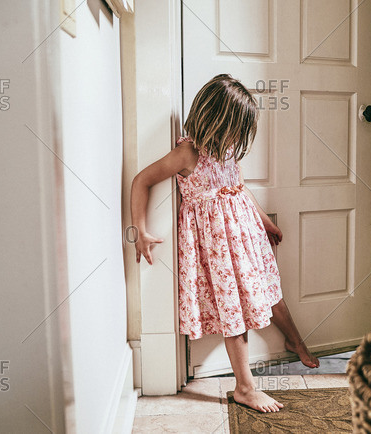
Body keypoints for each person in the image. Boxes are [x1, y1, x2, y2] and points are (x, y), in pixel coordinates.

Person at [130, 74, 319, 413]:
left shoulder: (226, 149)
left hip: (245, 236)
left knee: (268, 289)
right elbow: (141, 180)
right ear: (216, 119)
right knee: (234, 310)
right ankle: (245, 387)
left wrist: (265, 222)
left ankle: (295, 339)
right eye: (236, 127)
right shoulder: (186, 154)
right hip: (217, 248)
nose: (238, 136)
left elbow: (239, 188)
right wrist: (139, 229)